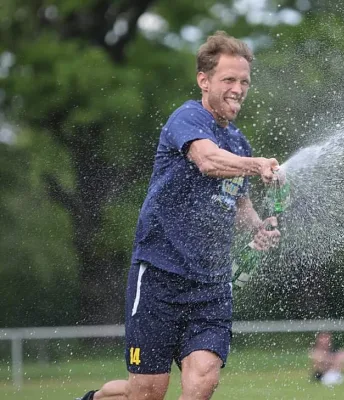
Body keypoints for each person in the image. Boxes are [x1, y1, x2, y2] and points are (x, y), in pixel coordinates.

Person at [77, 31, 282, 400]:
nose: (239, 88)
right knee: (147, 393)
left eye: (245, 81)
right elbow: (206, 161)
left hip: (211, 285)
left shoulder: (239, 142)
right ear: (204, 81)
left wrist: (258, 227)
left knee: (203, 381)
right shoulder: (187, 118)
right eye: (229, 80)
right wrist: (256, 165)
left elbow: (237, 202)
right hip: (159, 276)